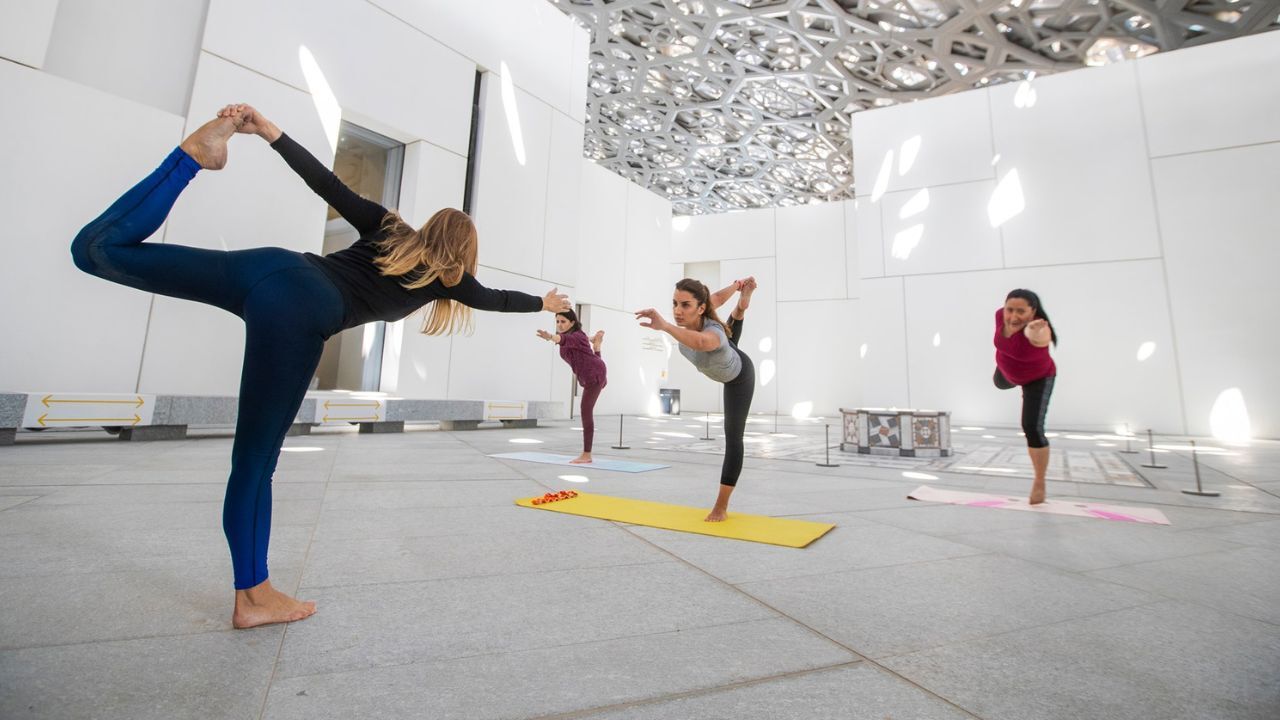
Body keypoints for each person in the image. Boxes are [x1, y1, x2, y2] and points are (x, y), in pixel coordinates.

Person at [70, 104, 569, 628]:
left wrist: (268, 131)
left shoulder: (389, 228)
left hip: (272, 265)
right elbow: (497, 299)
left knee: (98, 250)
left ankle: (188, 161)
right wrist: (546, 303)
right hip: (299, 310)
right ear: (466, 252)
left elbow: (327, 183)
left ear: (430, 227)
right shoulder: (449, 279)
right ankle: (253, 596)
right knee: (255, 462)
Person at [636, 278, 756, 521]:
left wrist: (666, 326)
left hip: (739, 376)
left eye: (685, 305)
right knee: (730, 343)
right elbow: (717, 299)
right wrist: (736, 285)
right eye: (675, 304)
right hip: (725, 356)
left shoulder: (711, 333)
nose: (678, 311)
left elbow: (702, 343)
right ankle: (741, 306)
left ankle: (721, 507)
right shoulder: (700, 310)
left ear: (700, 309)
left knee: (734, 437)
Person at [992, 288, 1058, 505]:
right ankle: (1005, 376)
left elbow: (1036, 337)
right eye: (1010, 309)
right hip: (1006, 375)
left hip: (1037, 379)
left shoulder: (1038, 330)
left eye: (1021, 311)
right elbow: (1004, 324)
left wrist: (1034, 331)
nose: (1013, 316)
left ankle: (1040, 481)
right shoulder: (999, 314)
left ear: (1033, 312)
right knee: (998, 383)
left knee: (1031, 427)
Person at [536, 309, 606, 463]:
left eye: (563, 322)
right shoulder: (576, 336)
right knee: (586, 409)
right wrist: (591, 338)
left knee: (585, 411)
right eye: (557, 321)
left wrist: (550, 337)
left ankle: (587, 454)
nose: (559, 325)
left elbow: (564, 340)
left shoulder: (574, 336)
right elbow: (572, 340)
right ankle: (596, 345)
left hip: (594, 374)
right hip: (589, 373)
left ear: (572, 322)